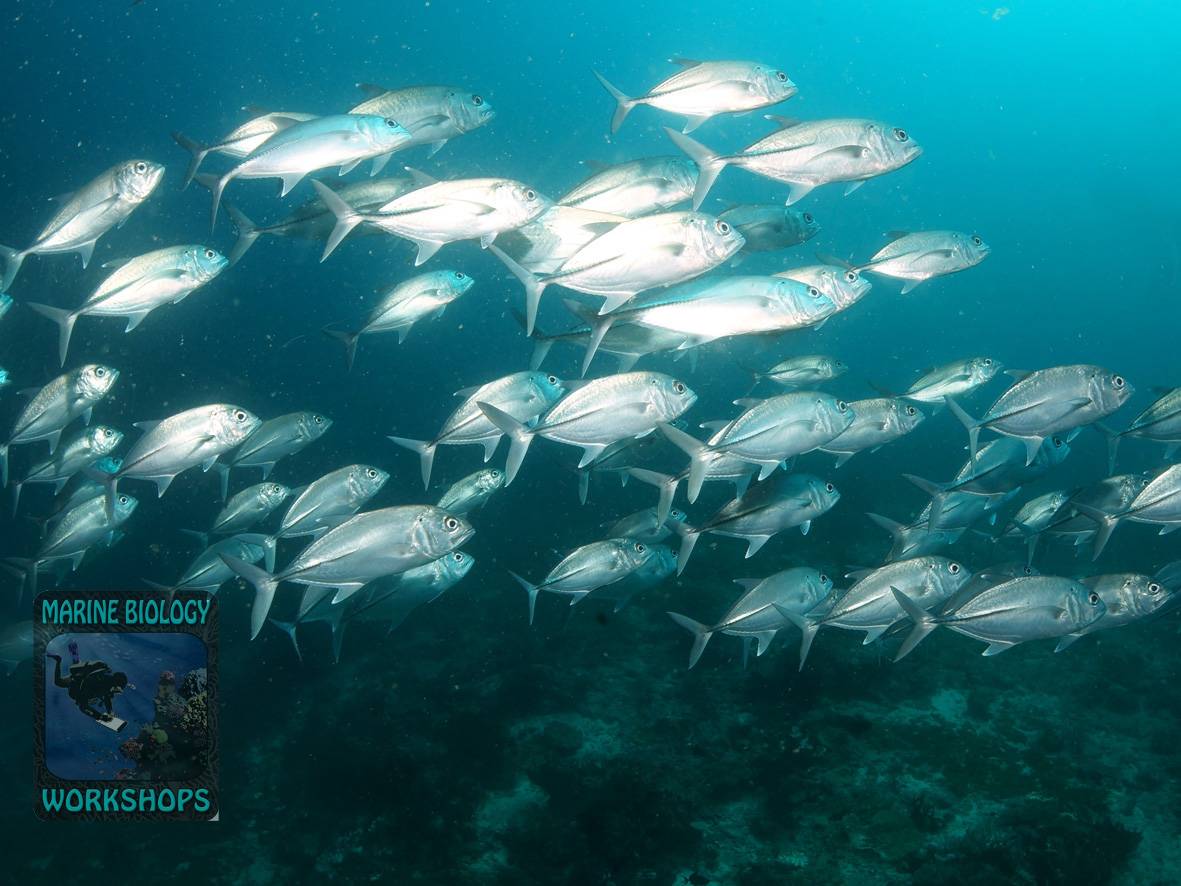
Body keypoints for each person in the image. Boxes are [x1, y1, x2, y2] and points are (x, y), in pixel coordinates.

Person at [46, 653, 129, 723]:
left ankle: (76, 662)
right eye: (117, 690)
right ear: (114, 684)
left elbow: (107, 697)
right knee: (58, 682)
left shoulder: (108, 684)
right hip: (75, 683)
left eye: (118, 691)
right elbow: (83, 707)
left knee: (77, 669)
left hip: (82, 678)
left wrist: (110, 711)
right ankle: (59, 660)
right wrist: (99, 717)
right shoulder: (95, 683)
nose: (115, 692)